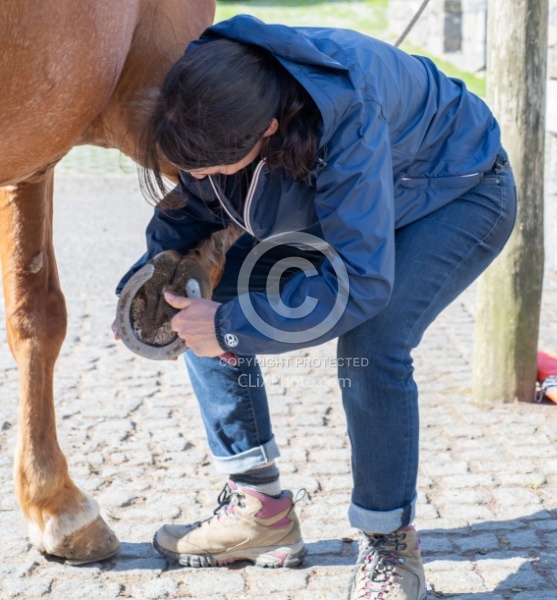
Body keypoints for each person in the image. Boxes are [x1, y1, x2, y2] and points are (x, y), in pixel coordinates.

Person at [116, 14, 517, 600]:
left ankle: (388, 545)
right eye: (189, 164)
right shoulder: (208, 92)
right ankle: (258, 509)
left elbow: (359, 282)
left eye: (206, 164)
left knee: (373, 341)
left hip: (455, 192)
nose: (195, 175)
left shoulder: (347, 121)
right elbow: (193, 204)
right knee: (196, 299)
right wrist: (155, 272)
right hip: (350, 198)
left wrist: (227, 329)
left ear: (268, 131)